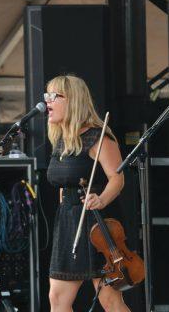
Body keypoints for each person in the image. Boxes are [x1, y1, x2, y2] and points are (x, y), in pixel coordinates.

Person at [45, 75, 130, 312]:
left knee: (110, 300)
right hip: (68, 223)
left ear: (73, 100)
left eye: (55, 96)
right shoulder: (61, 139)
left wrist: (101, 199)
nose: (48, 102)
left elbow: (117, 178)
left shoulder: (97, 136)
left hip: (96, 223)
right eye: (47, 95)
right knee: (58, 299)